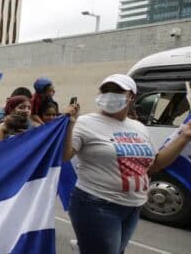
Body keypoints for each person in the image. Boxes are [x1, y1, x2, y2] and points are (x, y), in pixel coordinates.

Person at [62, 74, 191, 254]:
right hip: (96, 204)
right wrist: (68, 125)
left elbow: (154, 165)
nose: (110, 95)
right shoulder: (85, 123)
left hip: (133, 206)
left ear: (132, 97)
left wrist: (184, 137)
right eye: (106, 90)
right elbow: (65, 156)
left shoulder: (138, 127)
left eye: (118, 91)